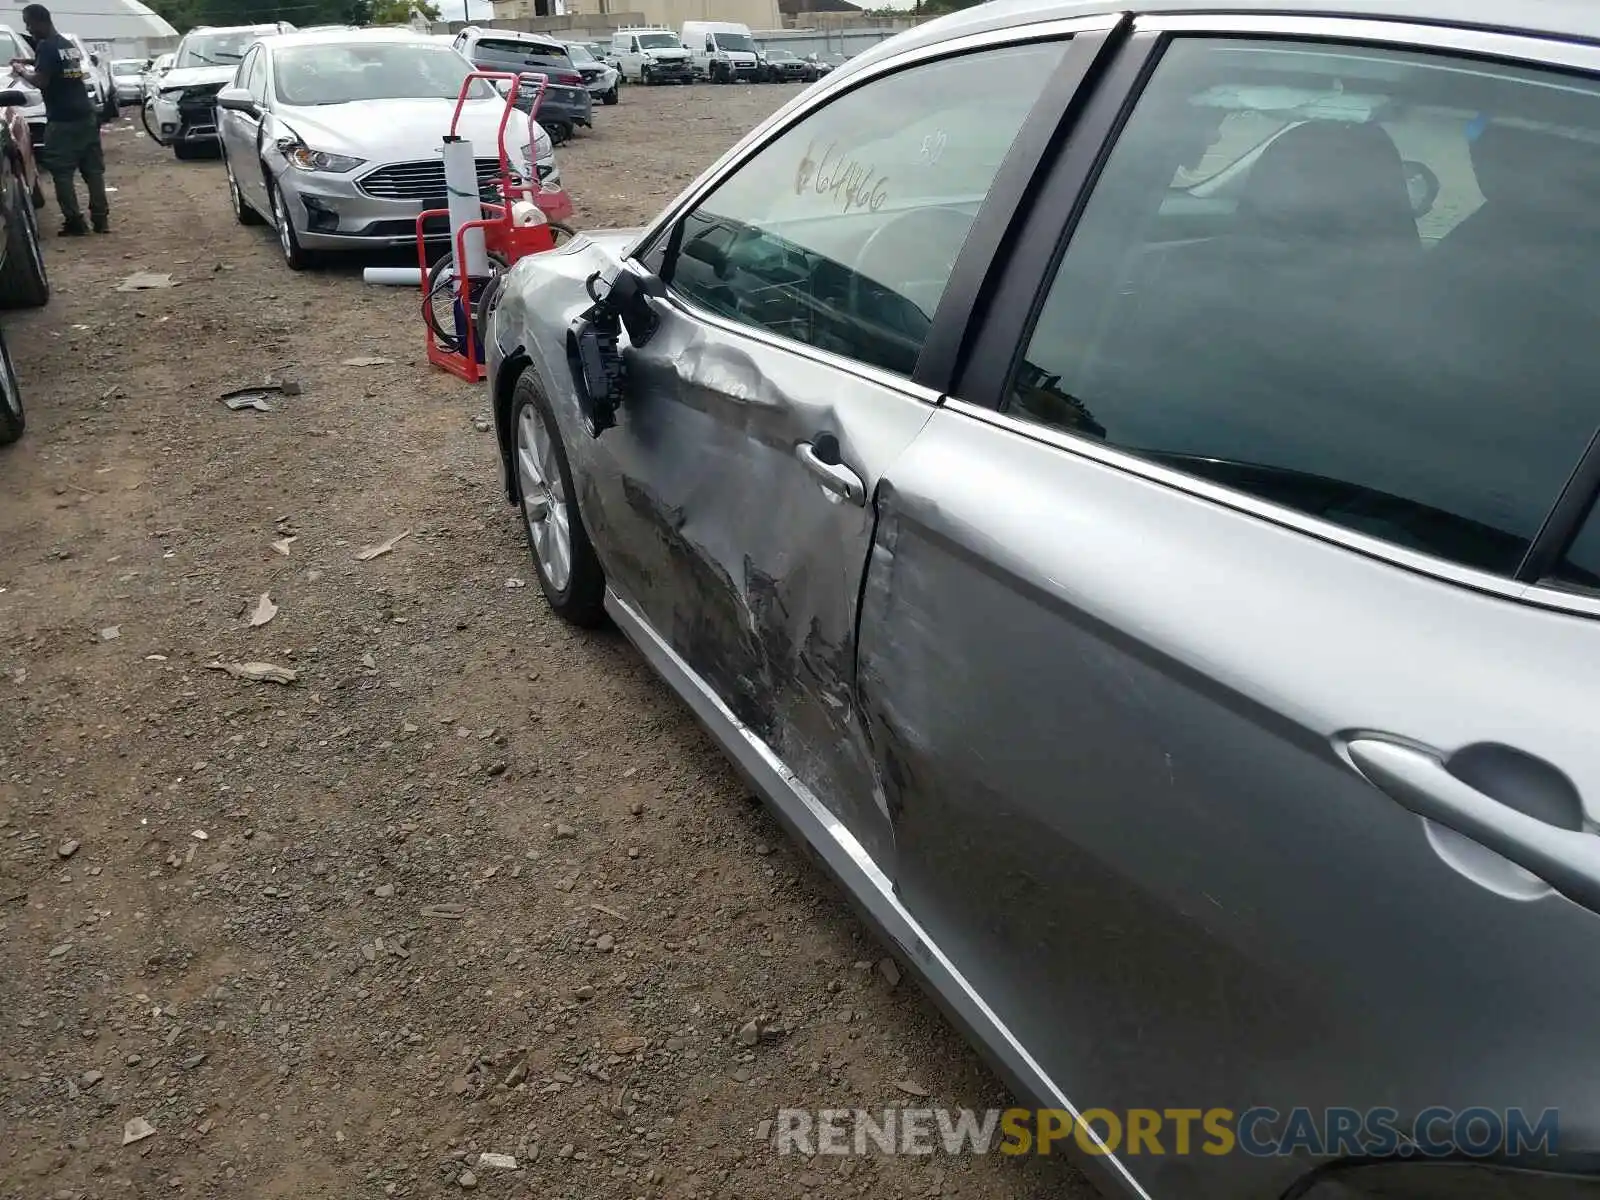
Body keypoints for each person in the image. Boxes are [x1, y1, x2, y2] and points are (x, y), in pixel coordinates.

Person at [10, 4, 107, 235]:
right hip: (86, 116)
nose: (28, 28)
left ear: (39, 21)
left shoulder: (45, 46)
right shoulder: (67, 44)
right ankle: (101, 220)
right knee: (92, 170)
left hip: (62, 121)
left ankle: (75, 222)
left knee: (61, 172)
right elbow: (57, 66)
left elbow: (42, 81)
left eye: (29, 23)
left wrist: (21, 71)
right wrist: (29, 62)